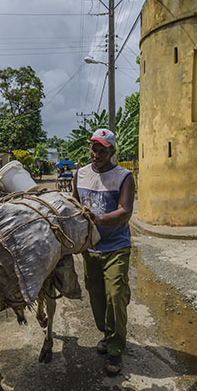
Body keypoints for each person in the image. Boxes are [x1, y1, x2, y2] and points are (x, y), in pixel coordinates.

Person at [73, 128, 136, 376]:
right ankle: (107, 335)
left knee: (116, 295)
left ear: (112, 151)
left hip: (116, 246)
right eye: (93, 148)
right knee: (97, 295)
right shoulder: (80, 174)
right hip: (91, 248)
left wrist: (97, 219)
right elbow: (74, 204)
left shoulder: (124, 177)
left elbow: (125, 211)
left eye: (101, 150)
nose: (95, 154)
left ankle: (116, 349)